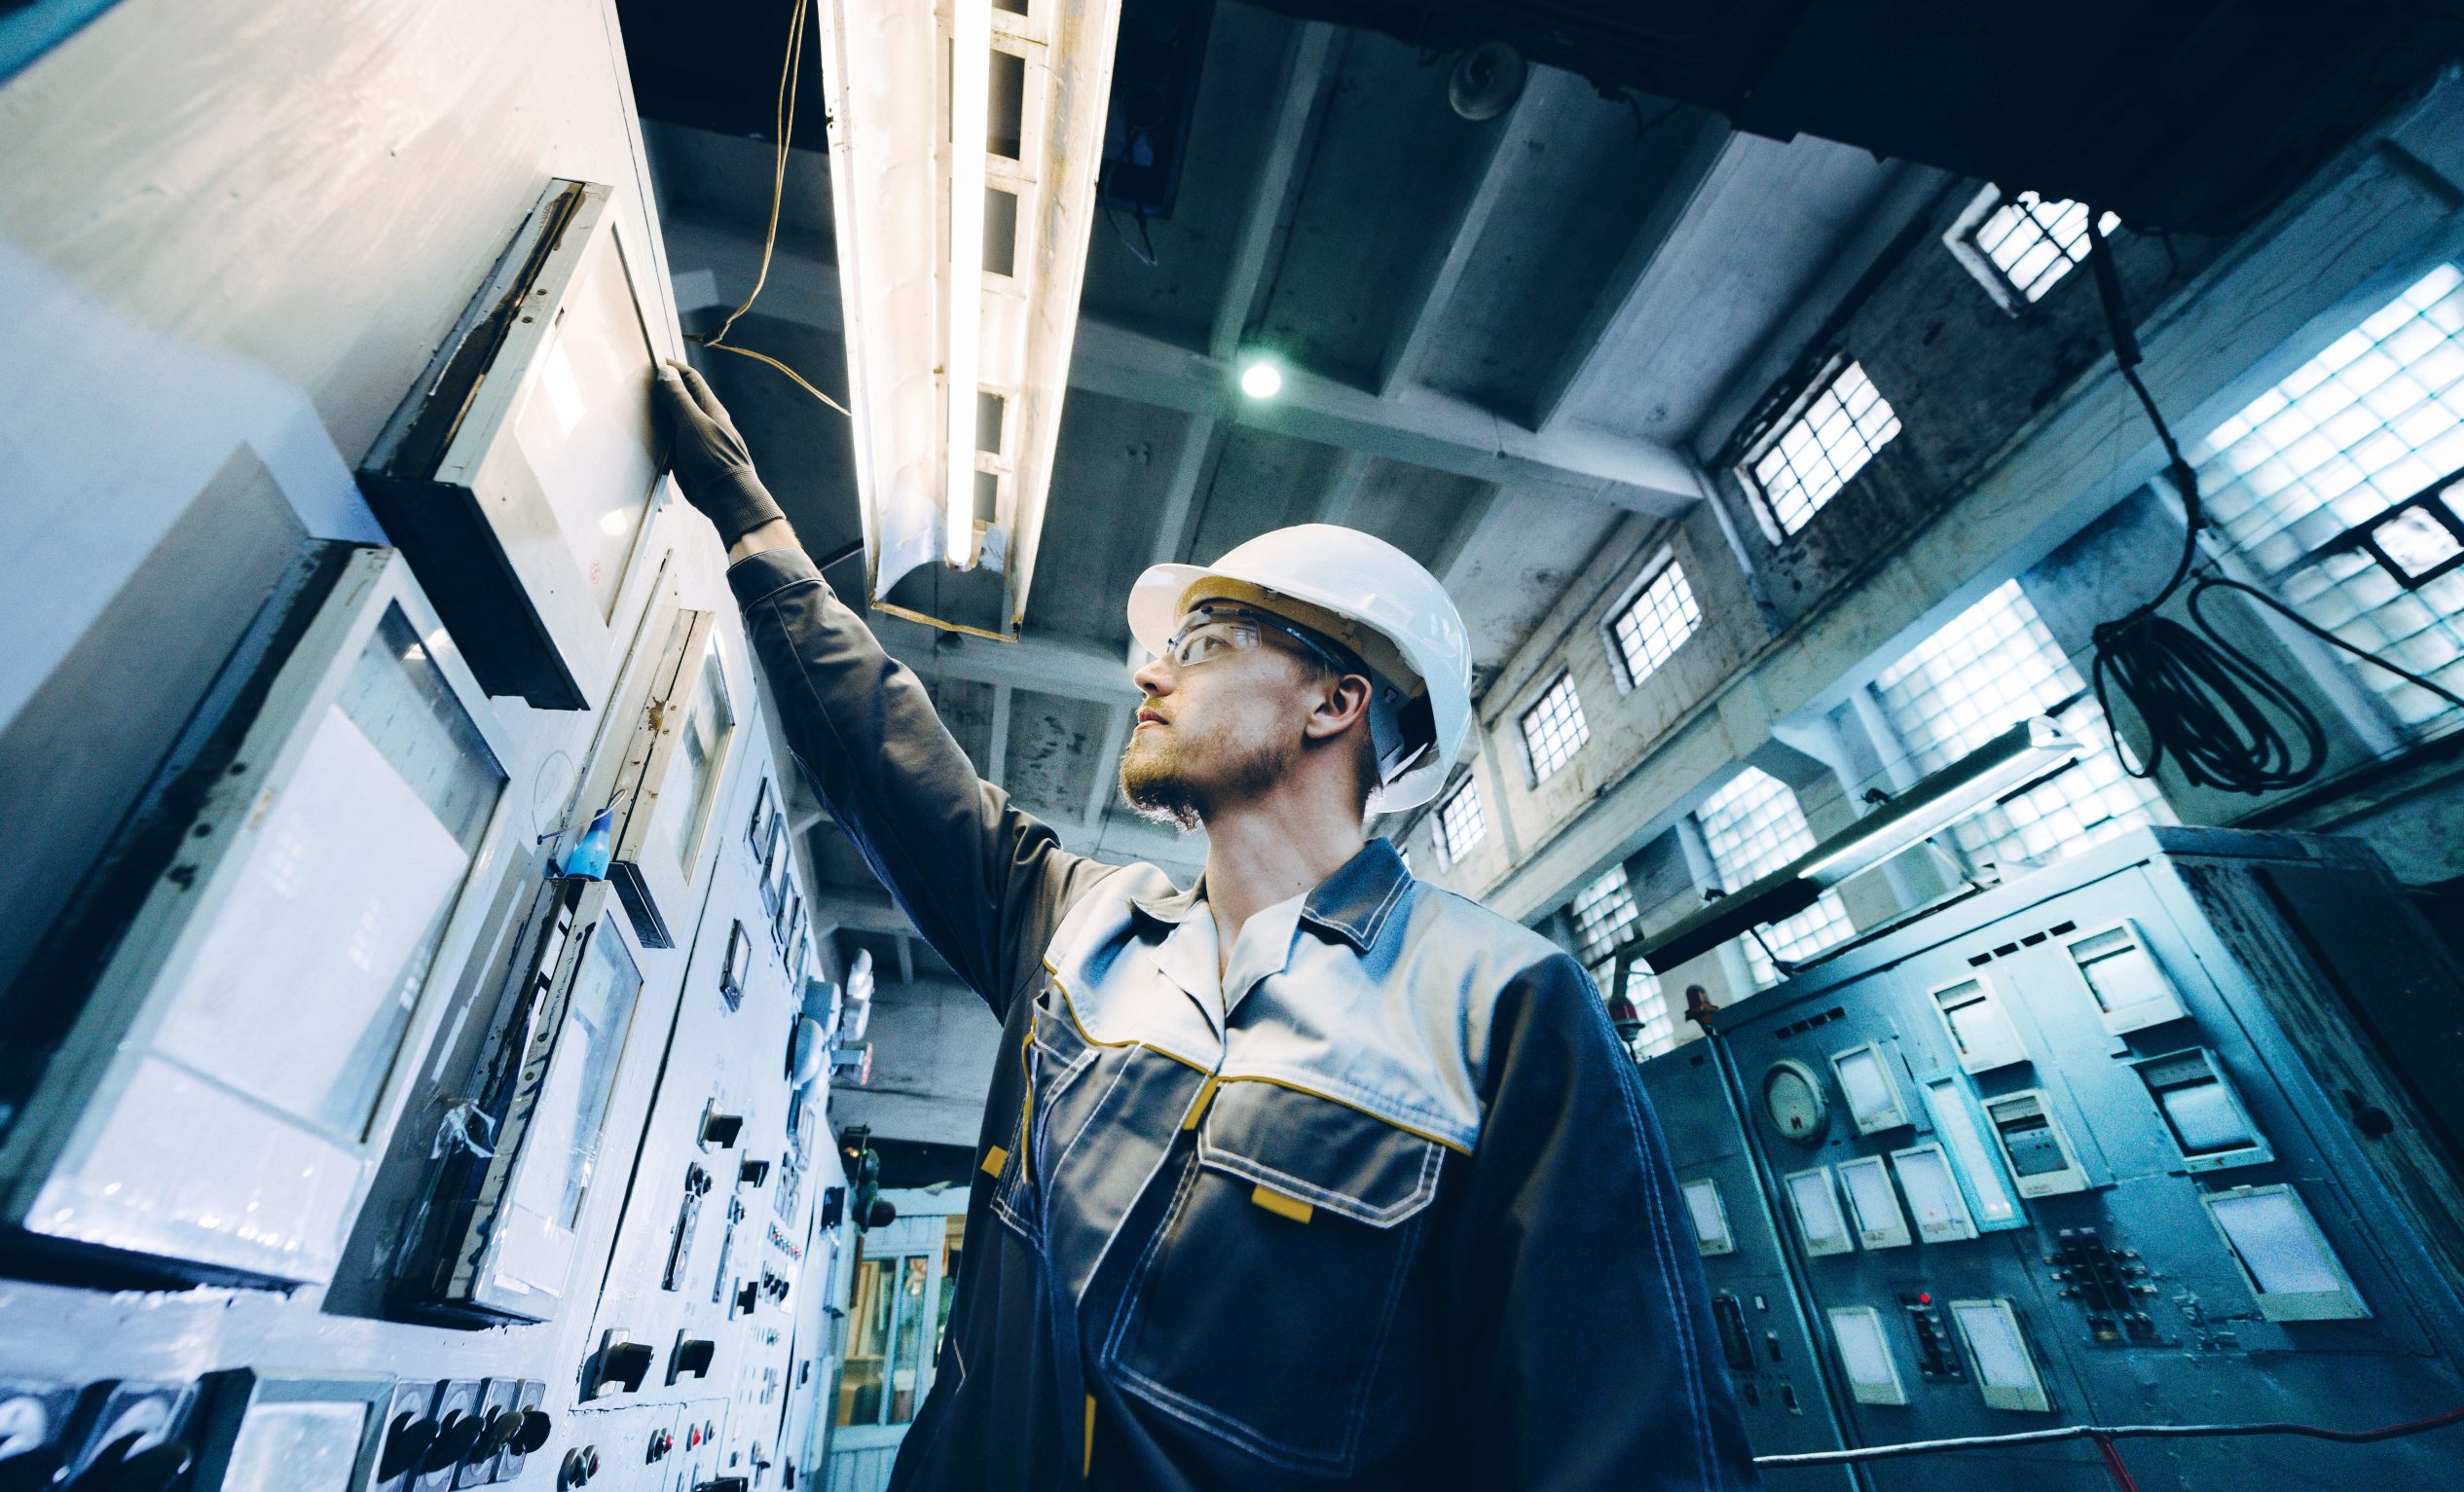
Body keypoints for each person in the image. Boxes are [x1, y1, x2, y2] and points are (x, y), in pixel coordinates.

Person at [658, 362, 1756, 1492]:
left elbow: (1634, 1448)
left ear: (1336, 700)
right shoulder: (1082, 923)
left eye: (1204, 643)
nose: (1149, 670)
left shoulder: (1505, 1012)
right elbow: (887, 753)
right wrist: (755, 529)